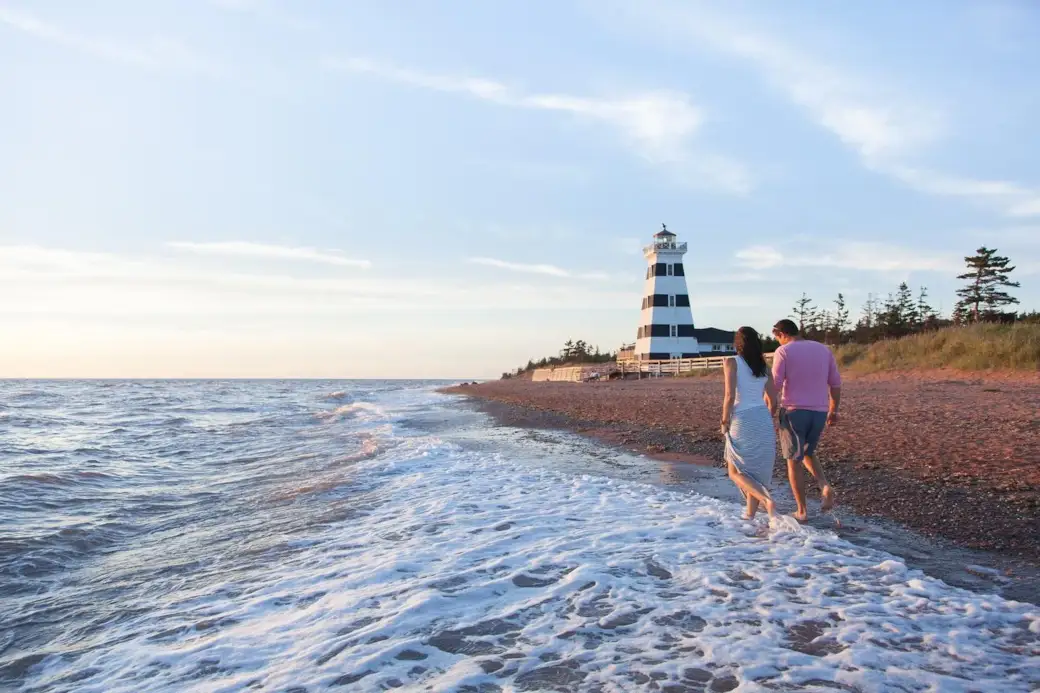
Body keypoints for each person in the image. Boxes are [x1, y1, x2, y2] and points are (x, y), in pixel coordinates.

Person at [771, 319, 842, 522]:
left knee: (793, 461)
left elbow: (775, 384)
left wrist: (768, 408)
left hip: (794, 412)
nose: (778, 342)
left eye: (777, 338)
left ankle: (801, 511)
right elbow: (835, 384)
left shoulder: (783, 351)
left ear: (782, 334)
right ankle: (824, 485)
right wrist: (833, 410)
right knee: (807, 452)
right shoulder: (823, 350)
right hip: (819, 412)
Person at [721, 326, 780, 519]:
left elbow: (729, 396)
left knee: (735, 470)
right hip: (762, 418)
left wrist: (724, 421)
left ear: (738, 343)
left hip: (742, 418)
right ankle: (750, 515)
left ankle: (766, 500)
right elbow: (773, 401)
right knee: (754, 471)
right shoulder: (764, 366)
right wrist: (764, 418)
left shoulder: (732, 362)